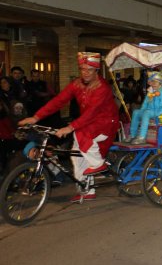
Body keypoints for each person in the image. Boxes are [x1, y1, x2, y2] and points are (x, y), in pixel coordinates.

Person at [19, 52, 119, 202]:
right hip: (88, 122)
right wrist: (35, 117)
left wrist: (71, 127)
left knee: (81, 133)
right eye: (83, 69)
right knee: (75, 156)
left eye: (89, 70)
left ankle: (99, 164)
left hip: (106, 123)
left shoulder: (102, 88)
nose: (85, 73)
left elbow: (92, 113)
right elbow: (58, 101)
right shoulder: (76, 84)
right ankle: (87, 190)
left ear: (96, 71)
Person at [124, 71, 162, 145]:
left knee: (146, 113)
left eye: (156, 82)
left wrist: (157, 114)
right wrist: (141, 111)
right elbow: (145, 104)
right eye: (152, 82)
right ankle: (132, 135)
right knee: (136, 112)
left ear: (160, 83)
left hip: (157, 112)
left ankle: (142, 137)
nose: (154, 83)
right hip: (148, 111)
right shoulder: (150, 92)